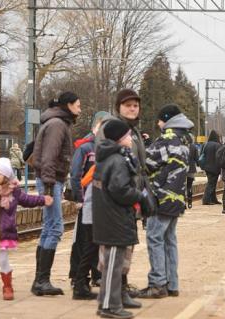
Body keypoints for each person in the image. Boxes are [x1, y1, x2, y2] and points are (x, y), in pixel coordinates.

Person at [93, 119, 149, 319]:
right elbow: (119, 190)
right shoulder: (116, 160)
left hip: (109, 218)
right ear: (118, 138)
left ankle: (105, 302)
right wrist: (139, 196)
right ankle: (109, 306)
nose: (130, 138)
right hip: (114, 219)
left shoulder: (107, 157)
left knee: (111, 264)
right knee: (113, 265)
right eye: (127, 135)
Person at [138, 104, 193, 299]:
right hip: (177, 199)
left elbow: (147, 164)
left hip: (161, 198)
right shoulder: (184, 141)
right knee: (170, 240)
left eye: (160, 120)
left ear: (167, 120)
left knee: (154, 238)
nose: (158, 123)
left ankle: (157, 283)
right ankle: (172, 284)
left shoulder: (166, 141)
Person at [31, 92, 81, 296]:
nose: (80, 108)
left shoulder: (58, 122)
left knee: (48, 228)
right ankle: (42, 280)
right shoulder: (58, 125)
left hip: (51, 180)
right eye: (78, 105)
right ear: (68, 105)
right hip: (51, 181)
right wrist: (50, 188)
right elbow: (49, 156)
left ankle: (39, 280)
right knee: (55, 228)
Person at [0, 158, 53, 300]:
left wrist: (42, 200)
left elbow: (27, 200)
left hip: (3, 232)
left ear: (6, 175)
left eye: (0, 174)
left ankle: (7, 286)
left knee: (2, 260)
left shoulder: (14, 191)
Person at [70, 111, 110, 300]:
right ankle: (78, 278)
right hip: (87, 202)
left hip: (100, 203)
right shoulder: (85, 148)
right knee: (83, 241)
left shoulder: (107, 147)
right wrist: (79, 198)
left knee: (95, 242)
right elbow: (76, 174)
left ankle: (96, 275)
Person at [201, 130, 222, 205]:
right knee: (211, 183)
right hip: (215, 167)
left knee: (212, 183)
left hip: (206, 167)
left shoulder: (205, 144)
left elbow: (201, 154)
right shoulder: (218, 145)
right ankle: (206, 200)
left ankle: (213, 199)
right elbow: (219, 157)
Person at [186, 143, 199, 209]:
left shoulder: (179, 144)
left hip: (181, 169)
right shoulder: (193, 146)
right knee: (189, 186)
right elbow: (197, 158)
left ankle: (183, 204)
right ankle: (190, 202)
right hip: (191, 168)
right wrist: (198, 164)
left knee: (181, 187)